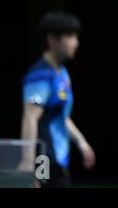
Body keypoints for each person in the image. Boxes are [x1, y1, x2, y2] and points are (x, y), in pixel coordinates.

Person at [18, 11, 95, 187]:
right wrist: (28, 165)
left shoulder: (61, 73)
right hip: (43, 159)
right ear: (52, 40)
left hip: (59, 160)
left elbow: (61, 116)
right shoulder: (40, 76)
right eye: (70, 36)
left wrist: (80, 141)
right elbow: (30, 118)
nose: (76, 42)